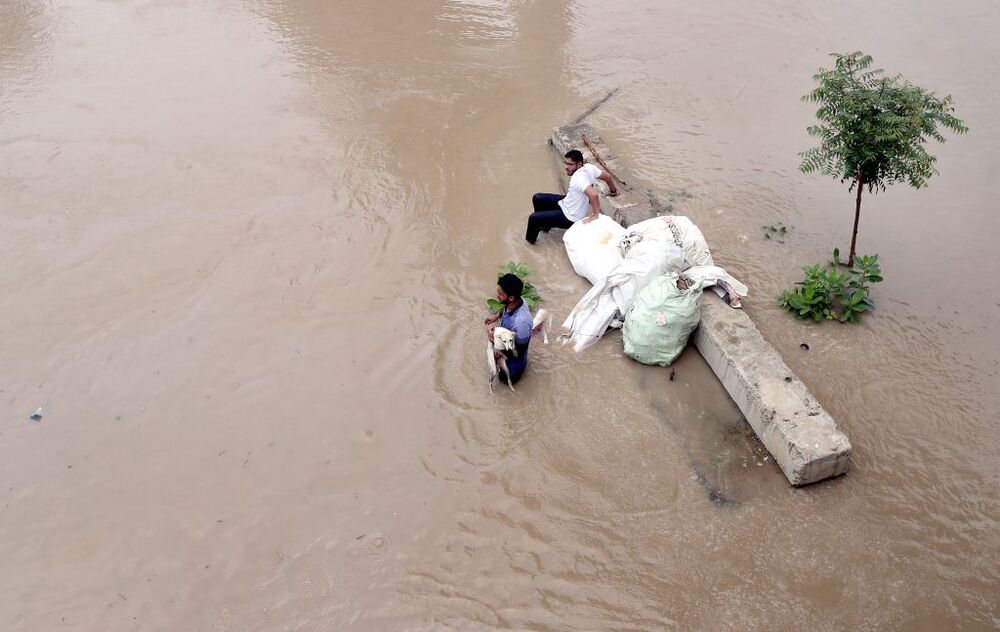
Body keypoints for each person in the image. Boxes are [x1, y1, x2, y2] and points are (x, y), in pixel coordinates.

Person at [525, 149, 619, 244]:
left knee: (533, 219)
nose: (566, 167)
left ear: (579, 164)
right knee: (537, 198)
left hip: (570, 217)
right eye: (566, 163)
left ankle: (530, 243)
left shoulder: (578, 178)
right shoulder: (589, 168)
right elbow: (608, 177)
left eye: (570, 164)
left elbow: (594, 195)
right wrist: (613, 190)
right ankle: (545, 227)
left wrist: (596, 215)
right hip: (567, 203)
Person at [484, 273, 534, 386]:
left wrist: (493, 340)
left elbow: (517, 352)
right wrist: (496, 316)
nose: (497, 296)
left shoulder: (521, 323)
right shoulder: (516, 301)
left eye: (500, 294)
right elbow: (506, 307)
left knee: (503, 381)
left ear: (511, 297)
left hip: (513, 367)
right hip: (506, 347)